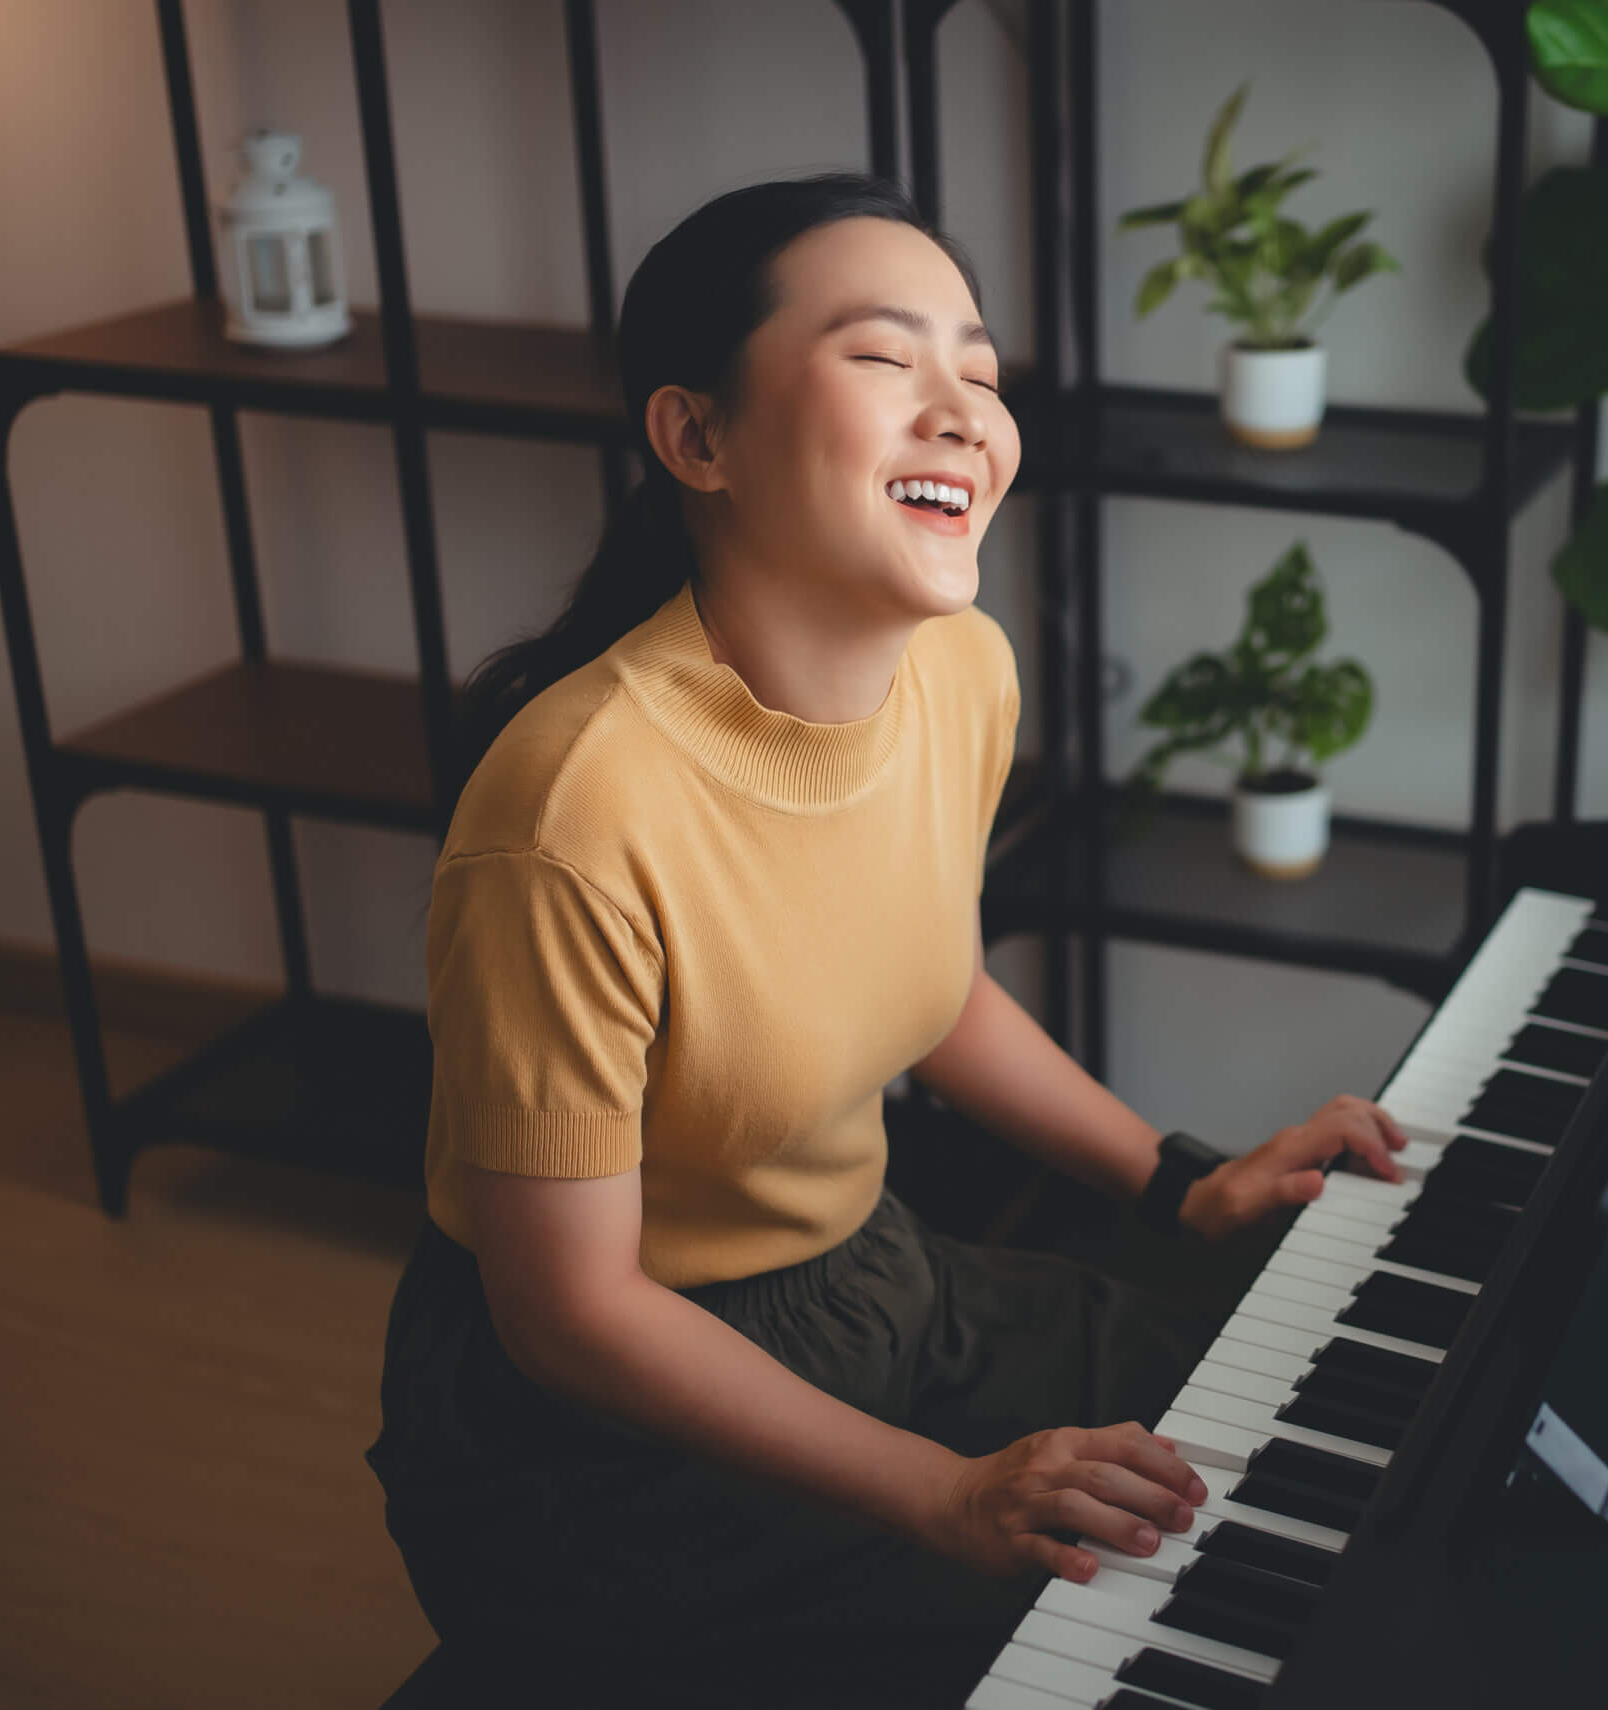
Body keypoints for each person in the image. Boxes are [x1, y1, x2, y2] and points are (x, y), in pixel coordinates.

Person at [363, 174, 1409, 1707]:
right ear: (695, 439)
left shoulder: (959, 672)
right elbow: (567, 1309)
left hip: (869, 1279)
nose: (962, 411)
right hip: (599, 1439)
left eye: (979, 373)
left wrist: (1182, 1180)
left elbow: (926, 985)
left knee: (1323, 1455)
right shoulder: (571, 813)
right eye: (880, 359)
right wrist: (940, 1490)